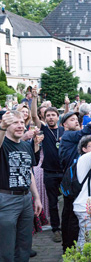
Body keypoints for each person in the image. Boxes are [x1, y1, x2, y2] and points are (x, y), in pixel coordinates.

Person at [59, 103, 91, 253]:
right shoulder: (68, 135)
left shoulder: (72, 138)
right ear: (64, 125)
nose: (76, 121)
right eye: (72, 120)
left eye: (77, 119)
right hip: (74, 184)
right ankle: (71, 249)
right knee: (72, 220)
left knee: (71, 218)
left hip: (75, 183)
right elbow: (88, 130)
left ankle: (70, 248)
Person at [0, 111, 42, 261]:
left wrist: (36, 197)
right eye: (15, 123)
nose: (20, 126)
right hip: (6, 199)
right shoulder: (3, 144)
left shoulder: (25, 146)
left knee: (24, 244)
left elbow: (28, 172)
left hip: (26, 199)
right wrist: (2, 127)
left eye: (22, 123)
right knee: (5, 246)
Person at [31, 87, 65, 242]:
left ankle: (67, 225)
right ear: (44, 118)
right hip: (50, 172)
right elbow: (33, 115)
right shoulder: (43, 128)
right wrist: (34, 98)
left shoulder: (64, 131)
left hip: (64, 171)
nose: (51, 118)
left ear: (58, 117)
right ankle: (56, 229)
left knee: (68, 200)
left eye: (53, 115)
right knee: (52, 202)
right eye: (48, 115)